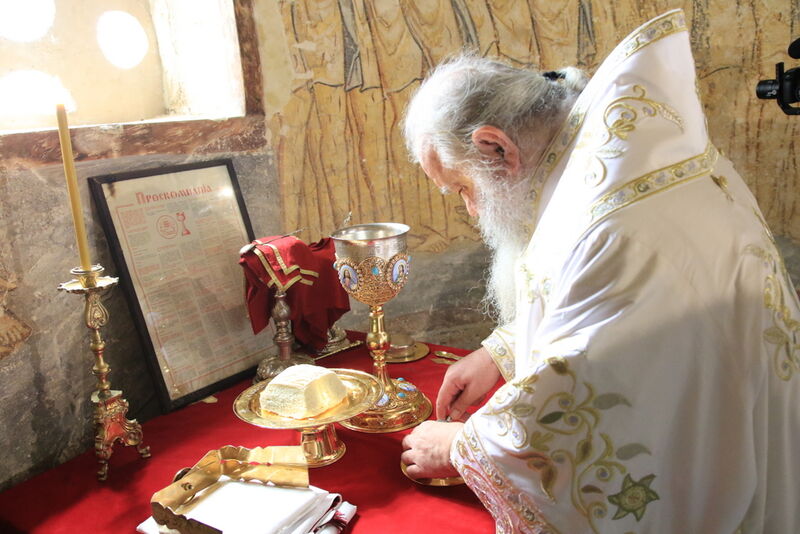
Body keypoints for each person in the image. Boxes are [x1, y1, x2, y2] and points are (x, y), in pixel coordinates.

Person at [399, 9, 800, 534]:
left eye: (463, 188)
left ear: (496, 147)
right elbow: (624, 323)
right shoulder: (620, 161)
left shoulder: (603, 225)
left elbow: (593, 406)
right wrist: (500, 352)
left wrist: (463, 447)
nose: (472, 210)